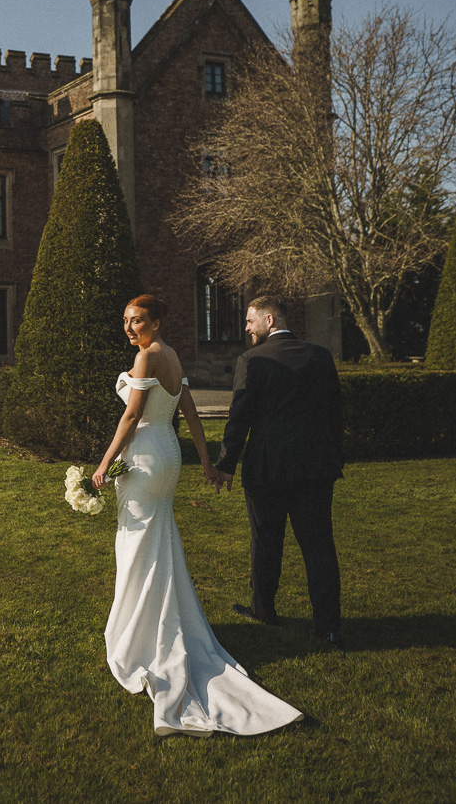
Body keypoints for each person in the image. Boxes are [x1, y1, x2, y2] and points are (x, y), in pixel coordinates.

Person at [91, 295, 304, 736]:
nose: (130, 328)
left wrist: (103, 460)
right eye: (126, 321)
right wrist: (205, 461)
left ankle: (137, 636)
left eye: (138, 321)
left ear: (157, 321)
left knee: (135, 542)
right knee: (158, 539)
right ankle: (155, 620)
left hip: (146, 456)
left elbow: (132, 414)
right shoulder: (169, 353)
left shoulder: (147, 356)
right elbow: (187, 410)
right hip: (166, 456)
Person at [212, 296, 345, 648]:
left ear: (269, 320)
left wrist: (225, 465)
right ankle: (329, 625)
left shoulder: (251, 360)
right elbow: (336, 412)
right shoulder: (320, 356)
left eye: (249, 321)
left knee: (266, 541)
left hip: (267, 468)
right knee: (319, 545)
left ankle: (264, 610)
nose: (245, 328)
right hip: (316, 467)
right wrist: (334, 458)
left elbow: (238, 416)